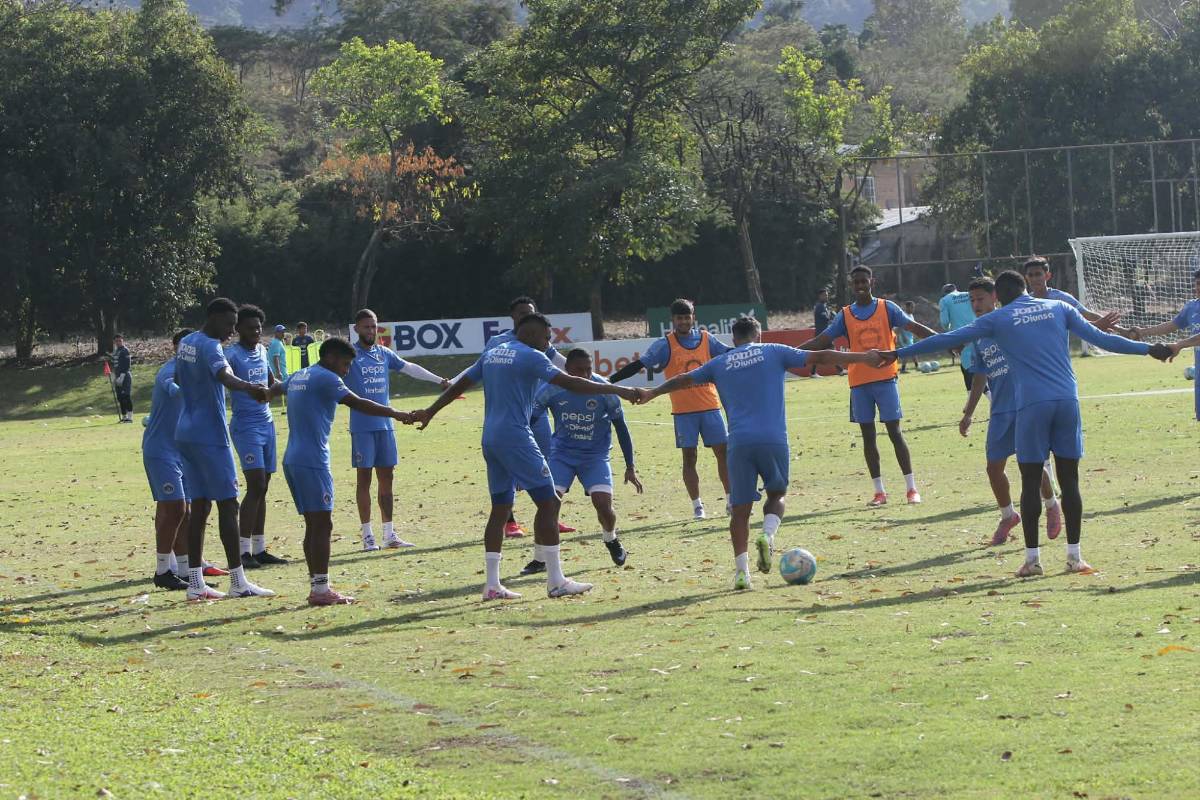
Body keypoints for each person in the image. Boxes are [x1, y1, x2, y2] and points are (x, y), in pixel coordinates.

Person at [889, 270, 1171, 577]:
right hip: (1067, 401)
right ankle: (1075, 557)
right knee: (1070, 481)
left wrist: (894, 353)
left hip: (1031, 406)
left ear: (998, 296)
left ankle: (1032, 560)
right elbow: (1103, 339)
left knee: (1030, 480)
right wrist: (1150, 349)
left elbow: (946, 339)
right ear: (1026, 289)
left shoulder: (996, 320)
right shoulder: (1058, 307)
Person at [412, 313, 643, 601]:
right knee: (549, 502)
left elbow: (460, 385)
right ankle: (556, 580)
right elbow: (572, 383)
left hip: (490, 438)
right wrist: (618, 388)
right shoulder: (532, 356)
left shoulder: (493, 353)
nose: (549, 344)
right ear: (534, 334)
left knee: (500, 508)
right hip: (516, 436)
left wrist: (431, 412)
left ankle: (493, 585)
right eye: (548, 337)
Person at [646, 316, 882, 590]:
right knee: (777, 494)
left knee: (740, 510)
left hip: (738, 443)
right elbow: (822, 355)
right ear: (757, 336)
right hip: (773, 439)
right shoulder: (773, 351)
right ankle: (768, 536)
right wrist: (864, 357)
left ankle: (742, 573)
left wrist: (652, 393)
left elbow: (683, 379)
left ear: (733, 340)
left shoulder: (720, 362)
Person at [273, 337, 415, 606]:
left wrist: (259, 390)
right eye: (345, 364)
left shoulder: (300, 375)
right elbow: (359, 403)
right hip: (313, 460)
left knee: (313, 526)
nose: (347, 370)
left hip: (292, 458)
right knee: (323, 525)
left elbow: (274, 389)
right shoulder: (327, 378)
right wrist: (396, 414)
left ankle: (317, 587)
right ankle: (321, 589)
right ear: (330, 358)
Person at [800, 266, 938, 506]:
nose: (861, 285)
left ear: (871, 282)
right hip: (859, 384)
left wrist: (945, 340)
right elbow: (823, 340)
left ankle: (911, 489)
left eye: (864, 281)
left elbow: (914, 328)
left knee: (895, 433)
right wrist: (787, 354)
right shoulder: (845, 314)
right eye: (856, 282)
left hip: (885, 380)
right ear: (852, 285)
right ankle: (879, 492)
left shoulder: (887, 308)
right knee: (868, 438)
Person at [175, 297, 274, 601]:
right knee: (228, 505)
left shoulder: (186, 342)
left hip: (185, 431)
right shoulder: (210, 346)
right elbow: (225, 377)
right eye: (229, 324)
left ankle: (195, 583)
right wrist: (251, 387)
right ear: (214, 318)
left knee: (200, 507)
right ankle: (238, 581)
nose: (232, 331)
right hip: (210, 435)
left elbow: (181, 379)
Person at [956, 278, 1062, 546]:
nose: (976, 305)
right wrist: (969, 412)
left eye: (981, 299)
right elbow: (981, 374)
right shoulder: (978, 333)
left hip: (1026, 403)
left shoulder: (1013, 322)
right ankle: (1008, 515)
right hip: (1000, 409)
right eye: (972, 301)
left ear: (995, 297)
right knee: (994, 468)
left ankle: (1051, 504)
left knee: (1032, 464)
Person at [521, 348, 643, 576]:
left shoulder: (605, 390)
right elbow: (529, 422)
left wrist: (630, 466)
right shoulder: (552, 388)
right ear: (567, 369)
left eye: (589, 369)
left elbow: (622, 427)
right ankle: (540, 559)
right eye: (579, 370)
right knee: (548, 505)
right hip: (561, 456)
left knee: (604, 506)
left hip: (594, 457)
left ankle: (611, 538)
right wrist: (523, 459)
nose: (586, 375)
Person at [610, 298, 732, 519]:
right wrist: (610, 381)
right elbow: (639, 365)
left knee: (723, 454)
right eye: (680, 318)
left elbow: (730, 354)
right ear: (673, 320)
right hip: (684, 412)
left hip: (711, 407)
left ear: (693, 317)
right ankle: (697, 506)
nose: (684, 321)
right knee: (689, 458)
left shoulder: (707, 339)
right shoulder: (664, 344)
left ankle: (731, 501)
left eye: (687, 317)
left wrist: (752, 348)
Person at [348, 308, 450, 551]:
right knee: (364, 480)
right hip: (362, 427)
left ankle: (389, 533)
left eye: (373, 326)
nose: (371, 331)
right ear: (356, 329)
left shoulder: (383, 353)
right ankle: (367, 536)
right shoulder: (350, 356)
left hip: (386, 426)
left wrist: (441, 381)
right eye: (366, 327)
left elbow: (410, 368)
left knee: (387, 478)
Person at [478, 296, 574, 539]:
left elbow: (562, 365)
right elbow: (481, 370)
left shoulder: (540, 343)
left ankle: (549, 518)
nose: (524, 315)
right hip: (512, 416)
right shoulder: (499, 343)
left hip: (537, 411)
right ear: (513, 317)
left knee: (544, 462)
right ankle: (510, 521)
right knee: (509, 469)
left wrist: (588, 374)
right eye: (521, 313)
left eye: (529, 311)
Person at [225, 305, 287, 570]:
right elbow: (226, 380)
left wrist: (270, 392)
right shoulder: (232, 354)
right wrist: (250, 390)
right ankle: (242, 551)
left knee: (264, 486)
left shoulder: (262, 351)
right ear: (238, 329)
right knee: (256, 484)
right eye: (250, 328)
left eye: (259, 328)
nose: (256, 332)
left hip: (267, 424)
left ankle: (260, 549)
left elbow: (273, 381)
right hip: (245, 426)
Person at [143, 329, 194, 590]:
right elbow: (171, 387)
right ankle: (163, 571)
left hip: (181, 450)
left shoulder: (196, 371)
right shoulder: (169, 370)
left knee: (184, 511)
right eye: (184, 346)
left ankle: (184, 570)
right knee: (175, 508)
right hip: (160, 451)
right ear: (175, 347)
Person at [1128, 268, 1200, 419]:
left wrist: (1180, 344)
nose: (1198, 288)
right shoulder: (1192, 307)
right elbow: (1171, 325)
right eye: (1197, 284)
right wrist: (1143, 332)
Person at [1023, 256, 1127, 334]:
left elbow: (1086, 314)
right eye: (1030, 275)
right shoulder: (1023, 302)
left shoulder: (1061, 297)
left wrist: (1122, 330)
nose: (1034, 279)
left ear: (1047, 276)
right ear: (1026, 278)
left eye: (1038, 274)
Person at [939, 284, 977, 387]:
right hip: (978, 331)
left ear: (944, 293)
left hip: (961, 337)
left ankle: (986, 396)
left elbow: (945, 322)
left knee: (969, 369)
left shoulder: (945, 300)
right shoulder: (968, 295)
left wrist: (949, 333)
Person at [112, 334, 134, 422]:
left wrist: (122, 375)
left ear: (122, 341)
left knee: (126, 396)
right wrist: (115, 376)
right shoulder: (116, 351)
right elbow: (115, 365)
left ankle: (130, 417)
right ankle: (124, 417)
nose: (118, 342)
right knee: (120, 397)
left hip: (125, 376)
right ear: (114, 342)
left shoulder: (125, 351)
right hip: (117, 376)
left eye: (120, 341)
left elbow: (127, 365)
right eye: (116, 341)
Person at [268, 324, 288, 414]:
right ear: (276, 333)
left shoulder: (278, 342)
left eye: (283, 332)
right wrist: (279, 372)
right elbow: (275, 358)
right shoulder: (276, 343)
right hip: (280, 371)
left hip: (281, 370)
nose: (283, 333)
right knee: (288, 389)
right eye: (281, 332)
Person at [896, 301, 920, 374]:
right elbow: (900, 327)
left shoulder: (911, 315)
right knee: (908, 352)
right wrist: (903, 337)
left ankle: (917, 366)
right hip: (905, 337)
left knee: (913, 352)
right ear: (907, 307)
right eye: (911, 307)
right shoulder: (904, 315)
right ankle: (903, 369)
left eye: (913, 307)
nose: (913, 309)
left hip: (910, 337)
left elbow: (913, 326)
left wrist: (916, 334)